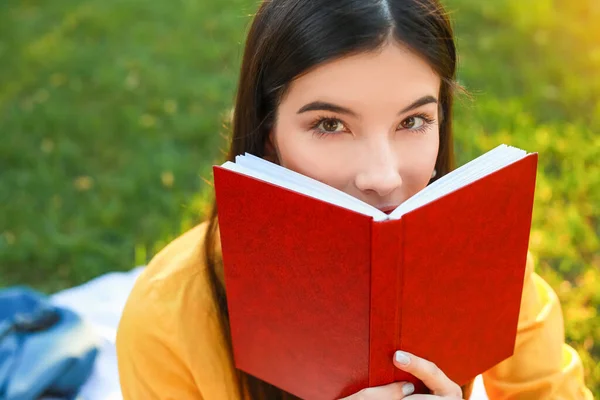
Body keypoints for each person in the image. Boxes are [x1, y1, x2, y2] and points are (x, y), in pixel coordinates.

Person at [116, 0, 594, 398]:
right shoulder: (168, 319)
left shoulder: (489, 261)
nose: (382, 178)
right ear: (267, 138)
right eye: (329, 124)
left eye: (412, 122)